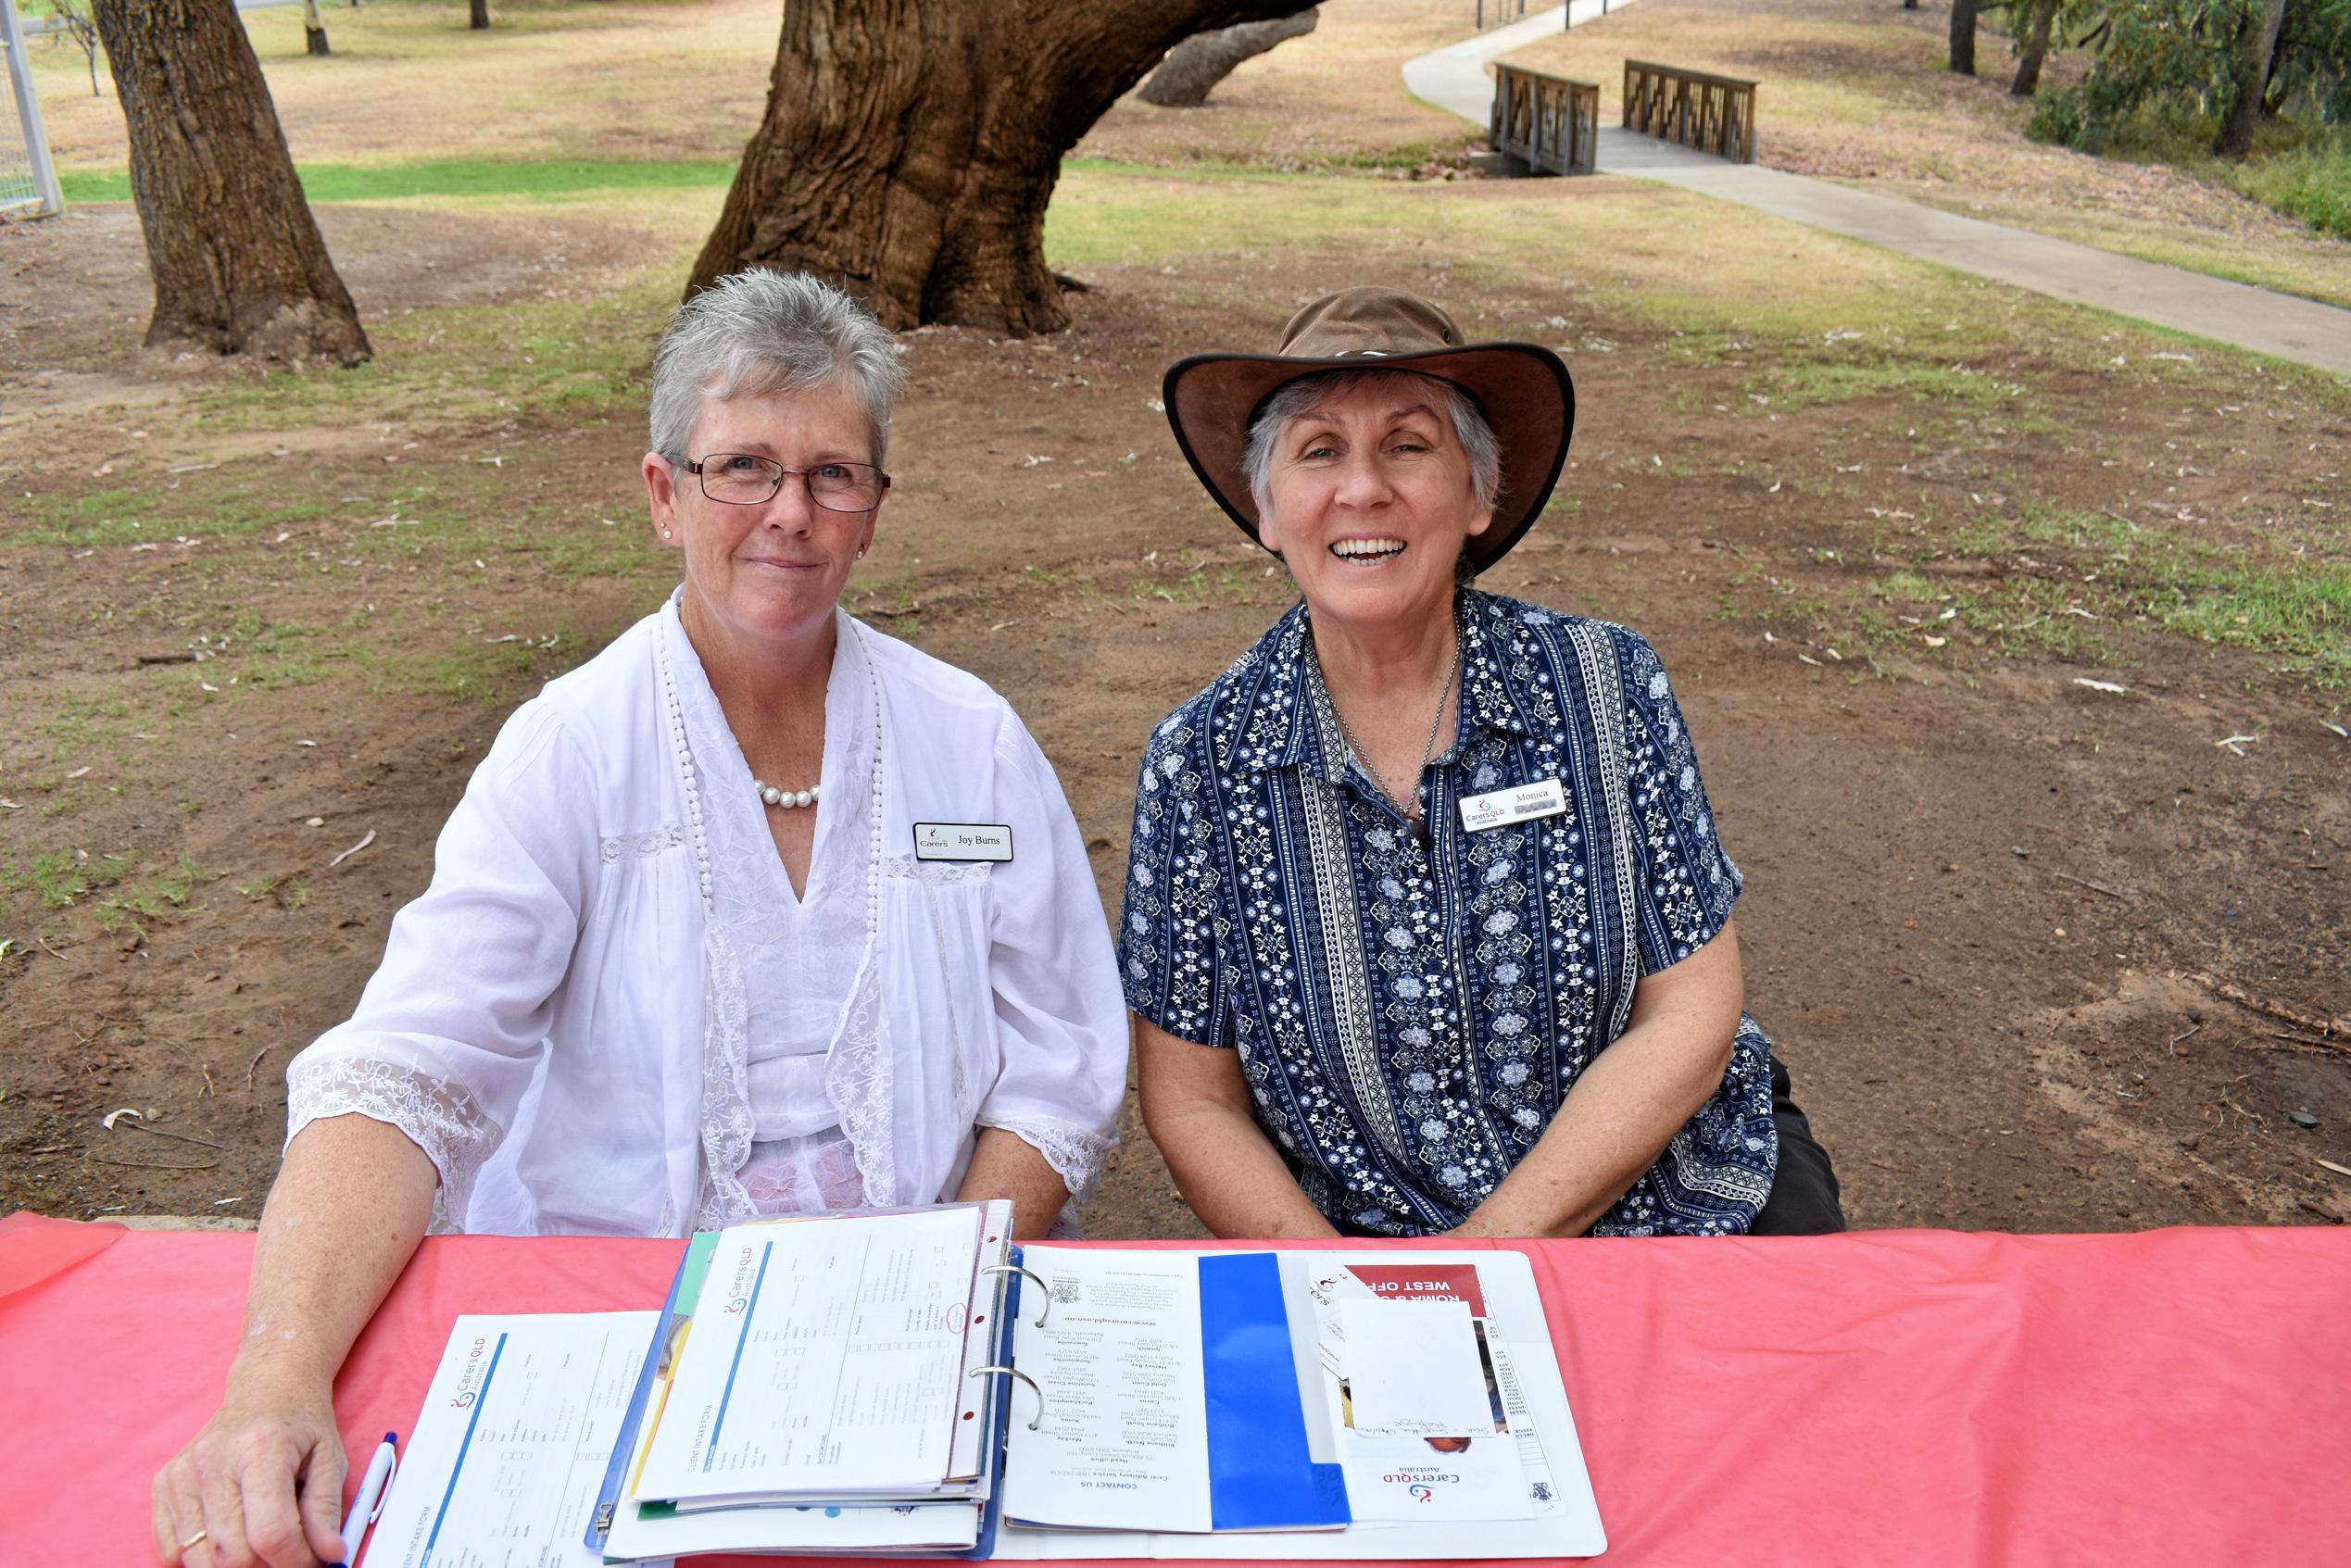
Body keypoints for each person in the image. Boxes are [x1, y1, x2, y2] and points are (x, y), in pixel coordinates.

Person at [151, 270, 1127, 1568]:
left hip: (920, 1328)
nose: (790, 511)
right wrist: (274, 1376)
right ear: (665, 496)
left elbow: (1057, 1066)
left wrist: (935, 1285)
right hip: (615, 1334)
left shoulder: (972, 742)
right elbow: (406, 1072)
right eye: (744, 468)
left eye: (834, 475)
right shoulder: (569, 750)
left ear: (874, 513)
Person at [1125, 287, 1843, 1241]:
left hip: (1677, 1195)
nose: (1363, 489)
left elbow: (1693, 1008)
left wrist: (1489, 1255)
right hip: (1371, 1245)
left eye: (1410, 445)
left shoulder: (1605, 686)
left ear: (1478, 495)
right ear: (1267, 509)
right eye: (1318, 450)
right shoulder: (1201, 764)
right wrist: (1350, 1293)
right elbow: (1192, 1101)